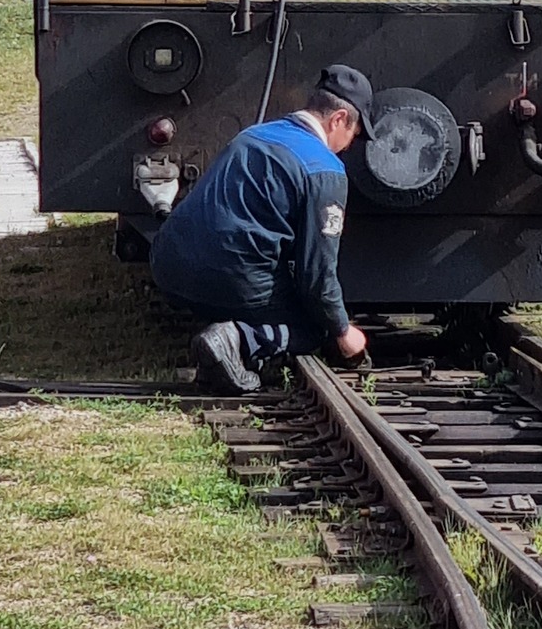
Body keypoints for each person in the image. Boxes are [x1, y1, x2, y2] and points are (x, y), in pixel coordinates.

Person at [152, 63, 375, 394]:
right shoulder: (325, 169)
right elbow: (318, 278)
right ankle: (238, 340)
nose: (348, 146)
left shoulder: (253, 135)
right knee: (315, 326)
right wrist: (344, 333)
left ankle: (226, 323)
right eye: (353, 136)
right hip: (227, 276)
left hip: (168, 266)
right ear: (338, 119)